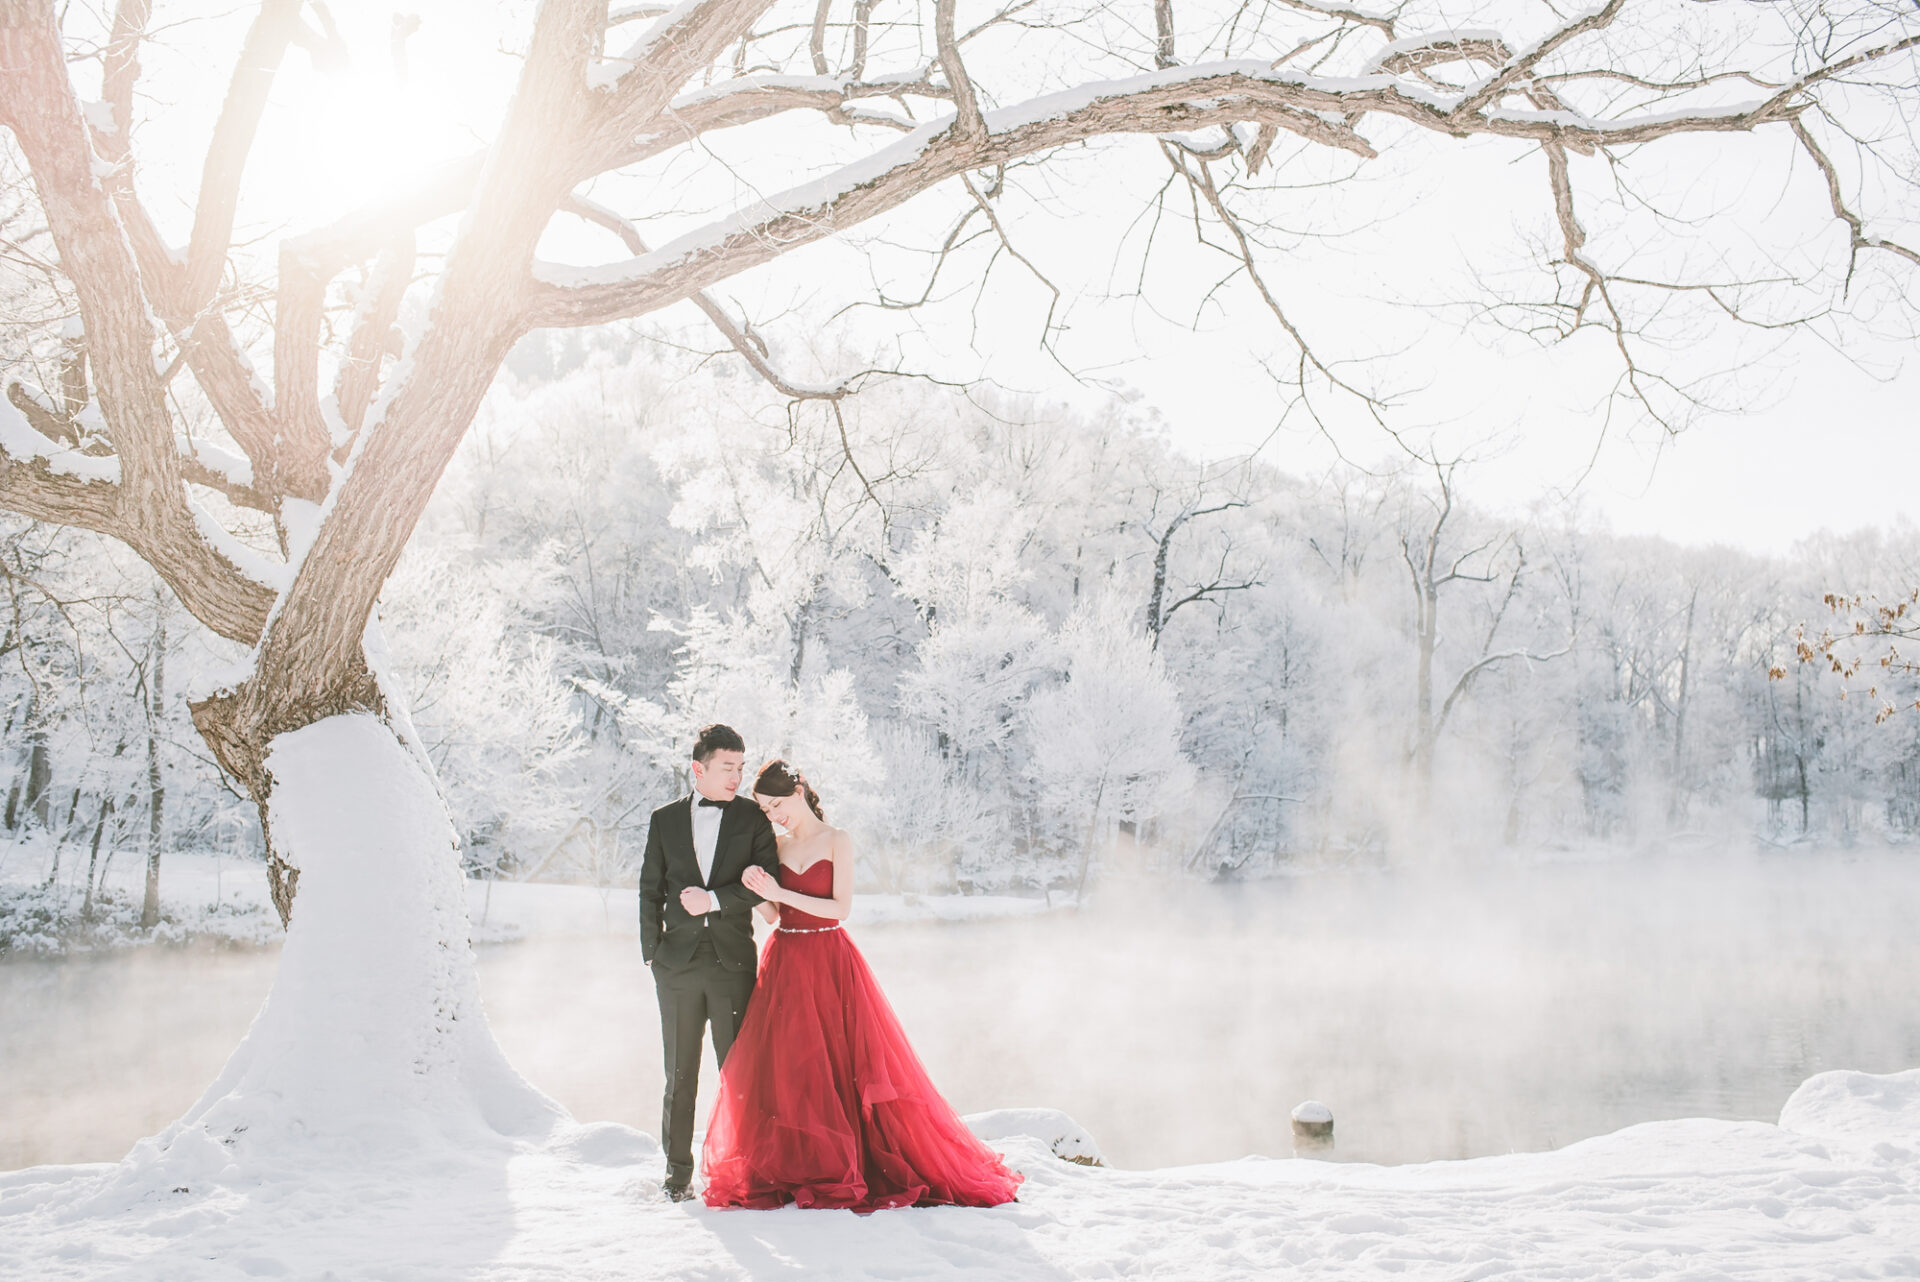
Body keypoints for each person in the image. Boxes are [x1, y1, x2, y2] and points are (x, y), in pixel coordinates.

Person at [700, 759, 1023, 1211]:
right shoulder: (772, 844)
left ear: (798, 791)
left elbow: (838, 909)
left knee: (845, 1063)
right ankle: (801, 1165)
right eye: (766, 809)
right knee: (793, 1067)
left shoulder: (837, 840)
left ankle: (852, 1159)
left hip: (829, 958)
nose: (774, 815)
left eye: (777, 804)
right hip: (787, 958)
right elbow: (776, 916)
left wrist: (778, 892)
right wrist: (755, 893)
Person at [638, 723, 779, 1202]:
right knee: (678, 1075)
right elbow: (650, 889)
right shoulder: (664, 819)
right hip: (674, 966)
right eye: (727, 767)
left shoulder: (753, 819)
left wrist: (715, 900)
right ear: (698, 768)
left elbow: (766, 881)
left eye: (740, 767)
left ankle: (744, 1172)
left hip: (732, 963)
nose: (737, 776)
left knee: (738, 1073)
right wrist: (652, 954)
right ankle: (678, 1176)